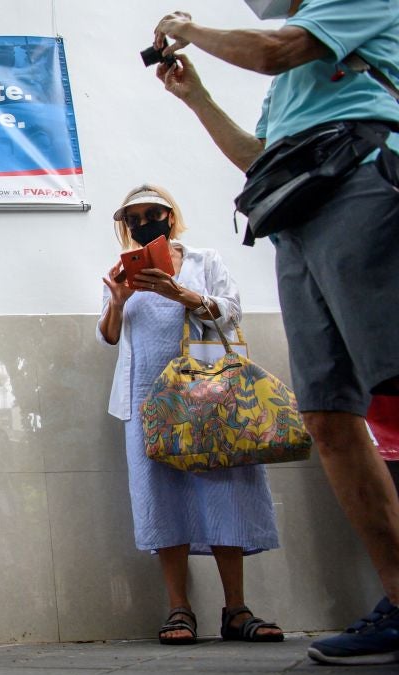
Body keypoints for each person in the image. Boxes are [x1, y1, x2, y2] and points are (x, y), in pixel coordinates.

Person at [152, 0, 399, 664]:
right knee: (327, 415)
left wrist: (192, 31)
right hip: (294, 214)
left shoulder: (353, 4)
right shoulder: (289, 91)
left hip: (365, 185)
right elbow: (256, 156)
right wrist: (195, 95)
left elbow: (275, 49)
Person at [98, 184, 284, 646]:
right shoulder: (122, 270)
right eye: (133, 217)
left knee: (224, 491)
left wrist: (180, 293)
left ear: (169, 215)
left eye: (152, 213)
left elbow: (233, 313)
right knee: (160, 497)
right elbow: (108, 335)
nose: (144, 223)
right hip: (146, 400)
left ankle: (236, 610)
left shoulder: (205, 262)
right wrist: (119, 299)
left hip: (210, 395)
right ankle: (178, 609)